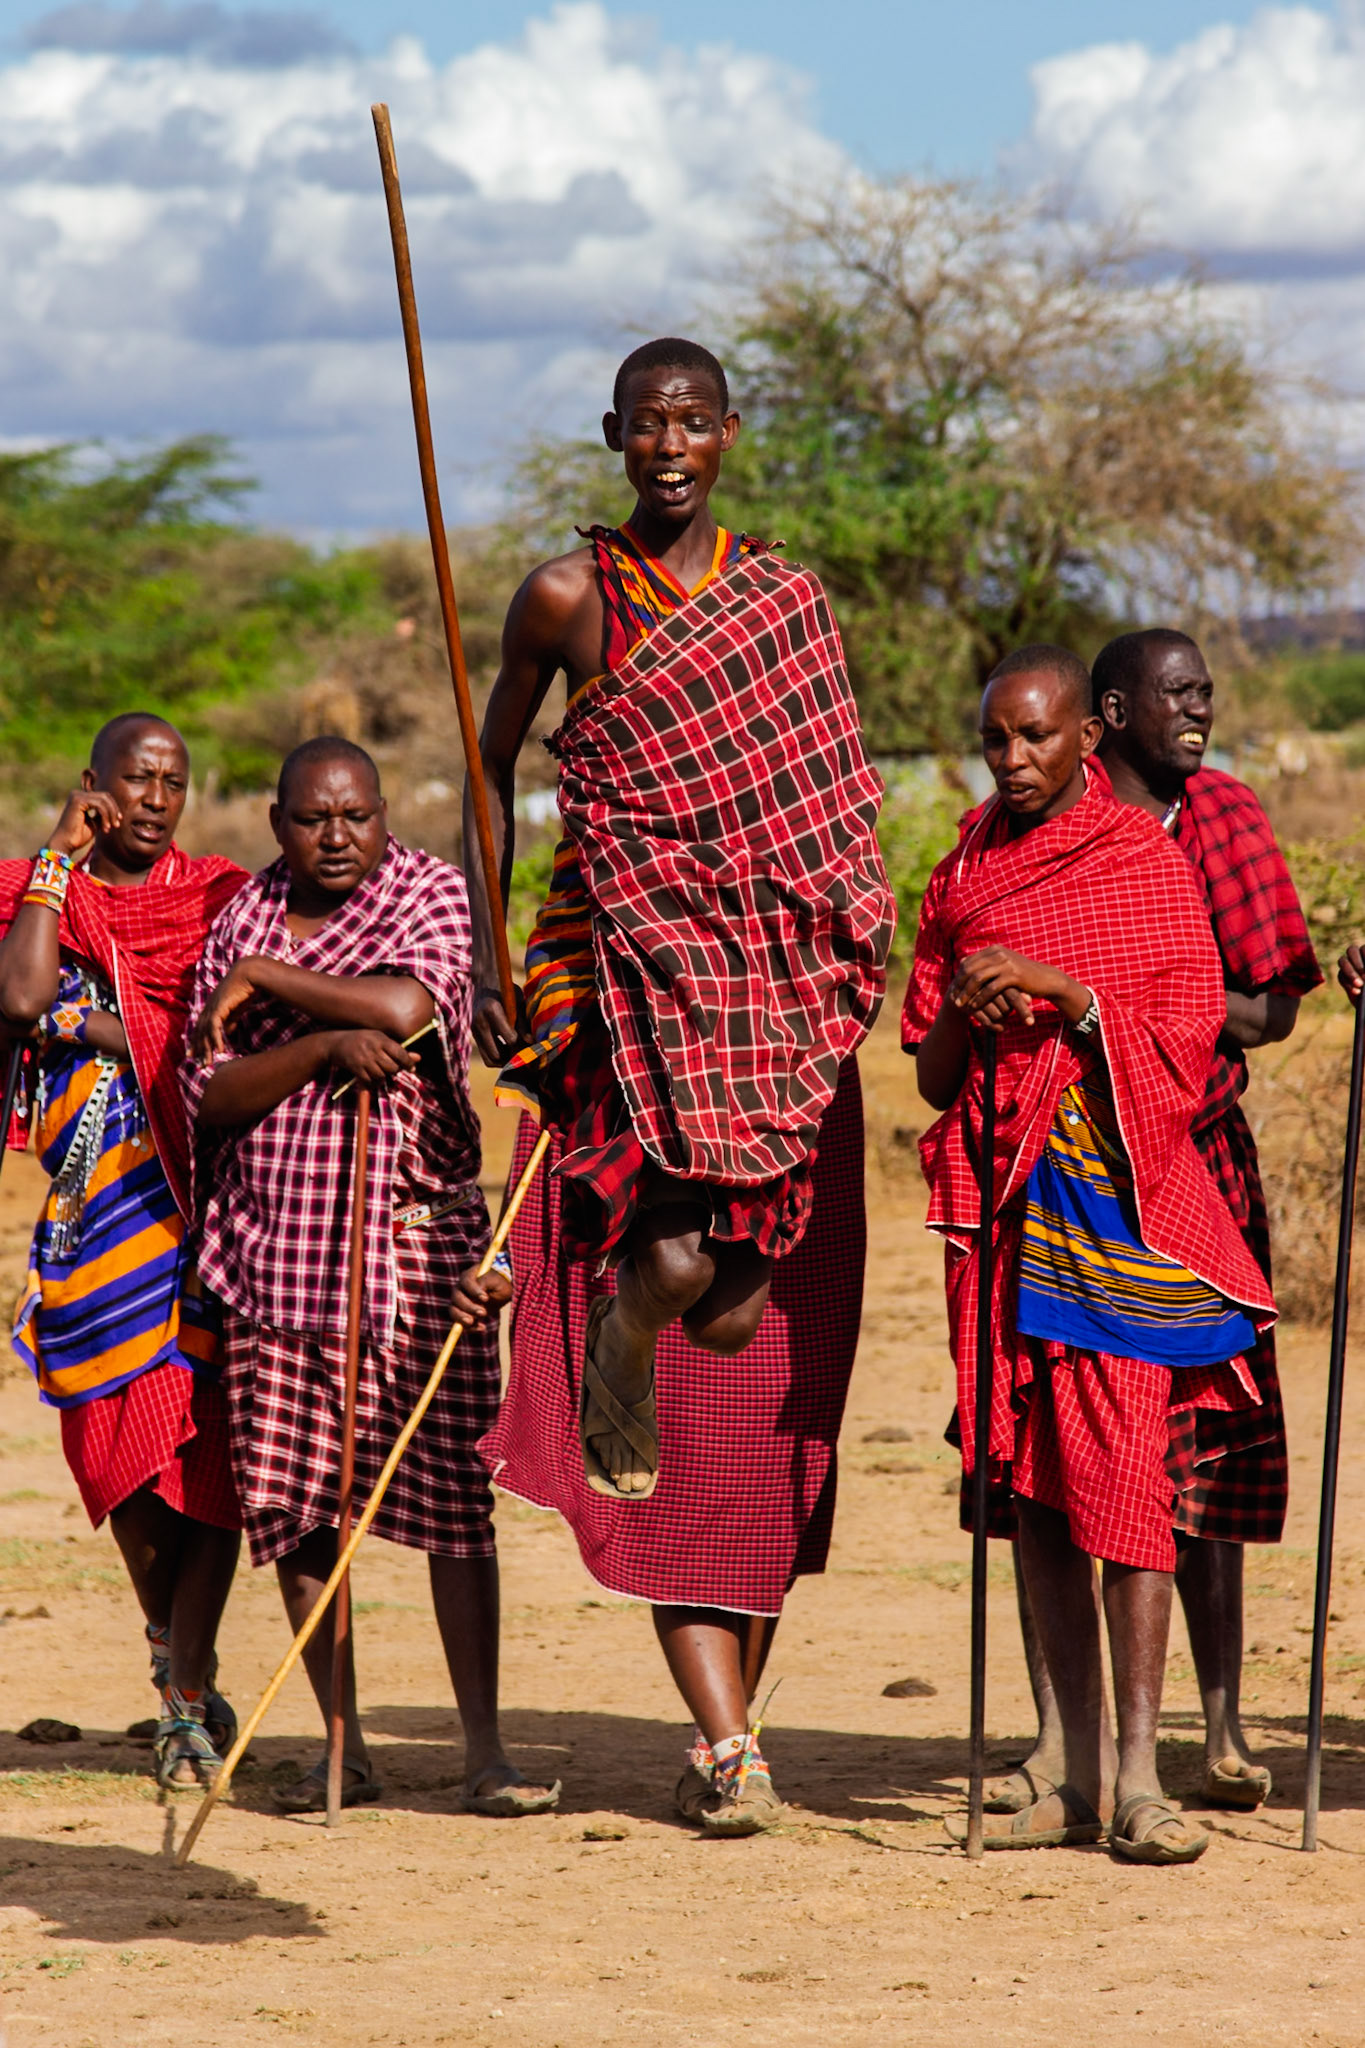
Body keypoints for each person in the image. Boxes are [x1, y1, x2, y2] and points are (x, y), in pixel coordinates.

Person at [468, 336, 893, 1833]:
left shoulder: (783, 602)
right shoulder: (568, 597)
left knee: (740, 1299)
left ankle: (661, 1338)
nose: (669, 446)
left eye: (693, 423)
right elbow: (488, 765)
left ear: (728, 436)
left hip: (768, 988)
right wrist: (482, 953)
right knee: (666, 1254)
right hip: (619, 957)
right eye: (644, 424)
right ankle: (611, 1350)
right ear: (610, 437)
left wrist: (848, 927)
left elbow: (829, 791)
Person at [903, 646, 1275, 1863]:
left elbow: (1187, 1043)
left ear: (1084, 739)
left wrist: (1066, 994)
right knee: (1037, 1488)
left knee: (1129, 1486)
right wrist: (968, 1003)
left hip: (1116, 1210)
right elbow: (932, 1074)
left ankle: (1139, 1774)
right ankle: (1063, 1769)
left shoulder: (1145, 867)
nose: (1013, 760)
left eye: (1035, 737)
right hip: (1005, 1210)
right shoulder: (964, 868)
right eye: (995, 739)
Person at [181, 737, 558, 1818]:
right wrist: (310, 1048)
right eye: (313, 818)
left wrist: (271, 991)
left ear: (384, 813)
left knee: (451, 1508)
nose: (338, 835)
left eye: (357, 814)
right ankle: (343, 1744)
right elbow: (207, 1091)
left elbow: (411, 1010)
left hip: (412, 1248)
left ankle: (484, 1747)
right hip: (275, 1251)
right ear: (275, 821)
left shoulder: (429, 890)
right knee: (302, 1513)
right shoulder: (241, 919)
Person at [986, 629, 1321, 1820]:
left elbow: (1271, 1003)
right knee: (1037, 1455)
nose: (1202, 711)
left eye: (1208, 692)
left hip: (1188, 1153)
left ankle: (1216, 1718)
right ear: (1109, 716)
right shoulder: (1007, 846)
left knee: (1200, 1447)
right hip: (1033, 1171)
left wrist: (1133, 1002)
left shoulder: (1216, 823)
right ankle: (1058, 1737)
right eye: (1176, 695)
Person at [0, 714, 246, 1788]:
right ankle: (173, 1646)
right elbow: (19, 995)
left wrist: (92, 1024)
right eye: (137, 779)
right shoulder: (36, 887)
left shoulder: (221, 898)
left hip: (210, 1199)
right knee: (114, 1444)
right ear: (94, 782)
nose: (155, 798)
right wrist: (59, 854)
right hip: (92, 1215)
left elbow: (228, 1030)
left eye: (174, 782)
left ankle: (183, 1688)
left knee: (210, 1442)